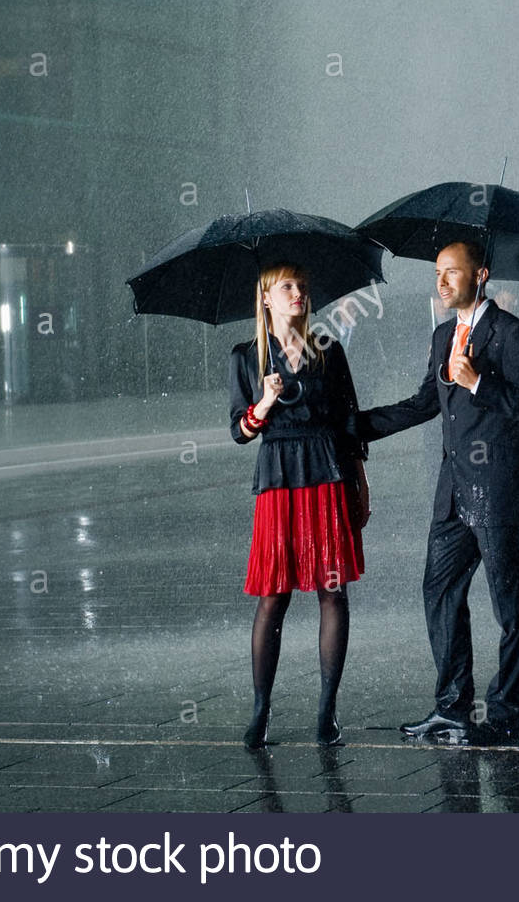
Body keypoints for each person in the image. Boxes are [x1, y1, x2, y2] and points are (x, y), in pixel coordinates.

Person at [351, 241, 519, 746]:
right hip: (453, 496)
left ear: (480, 275)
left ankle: (505, 716)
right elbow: (424, 404)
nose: (440, 282)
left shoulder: (512, 334)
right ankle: (452, 709)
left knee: (511, 608)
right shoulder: (443, 335)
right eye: (437, 272)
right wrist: (352, 428)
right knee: (439, 593)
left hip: (499, 495)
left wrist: (480, 382)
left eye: (451, 272)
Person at [228, 263, 370, 749]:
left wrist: (360, 483)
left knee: (333, 593)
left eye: (302, 286)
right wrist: (263, 404)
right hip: (278, 481)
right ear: (265, 297)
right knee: (274, 596)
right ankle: (260, 710)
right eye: (286, 286)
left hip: (327, 473)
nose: (298, 293)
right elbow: (238, 432)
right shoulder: (246, 358)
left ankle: (327, 710)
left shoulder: (329, 351)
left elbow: (350, 424)